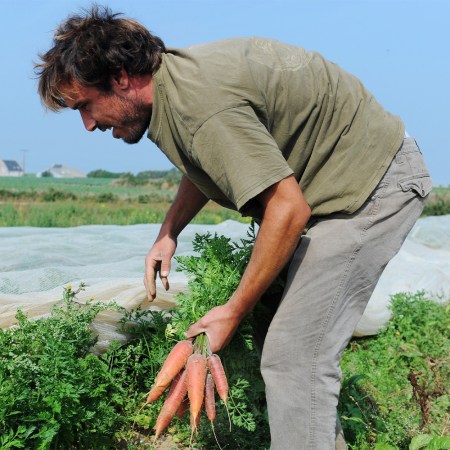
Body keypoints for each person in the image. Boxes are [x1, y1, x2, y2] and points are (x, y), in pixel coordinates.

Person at [35, 5, 431, 449]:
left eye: (85, 106)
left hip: (369, 190)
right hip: (332, 187)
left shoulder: (200, 108)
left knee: (294, 356)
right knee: (281, 333)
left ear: (122, 76)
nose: (88, 125)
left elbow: (286, 209)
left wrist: (231, 311)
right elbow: (209, 161)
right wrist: (169, 231)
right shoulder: (175, 90)